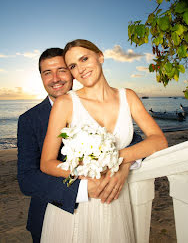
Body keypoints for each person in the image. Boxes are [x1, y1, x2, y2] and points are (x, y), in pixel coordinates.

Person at [40, 39, 168, 243]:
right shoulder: (65, 103)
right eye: (73, 66)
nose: (80, 69)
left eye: (84, 59)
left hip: (115, 202)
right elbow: (47, 163)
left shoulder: (128, 97)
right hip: (79, 203)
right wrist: (85, 169)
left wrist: (117, 160)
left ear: (100, 56)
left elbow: (159, 140)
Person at [17, 47, 142, 243]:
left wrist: (123, 165)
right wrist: (81, 189)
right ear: (40, 77)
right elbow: (27, 178)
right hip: (51, 213)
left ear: (73, 72)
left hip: (102, 211)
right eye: (47, 72)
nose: (55, 78)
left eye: (62, 70)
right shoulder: (28, 120)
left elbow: (132, 139)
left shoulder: (92, 103)